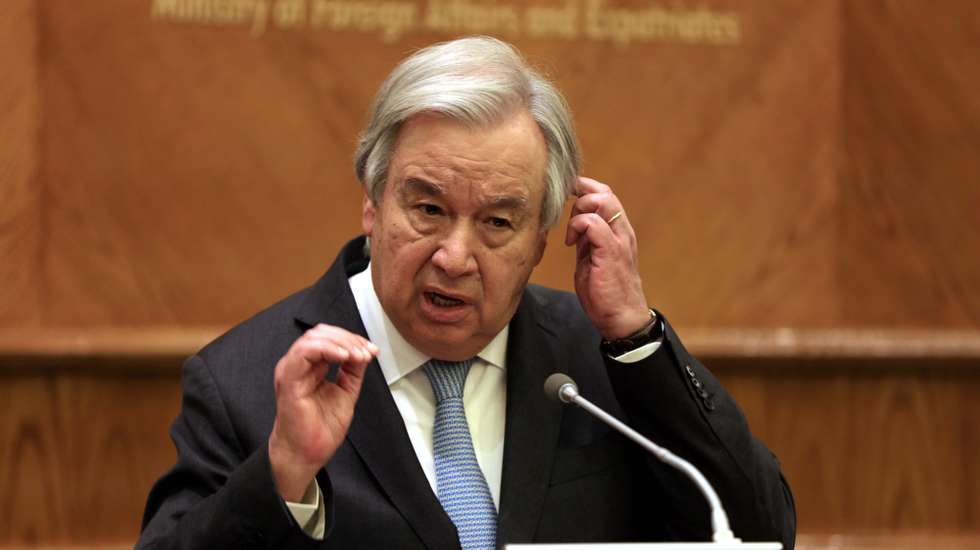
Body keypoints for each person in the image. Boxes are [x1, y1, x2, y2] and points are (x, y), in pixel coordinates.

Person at [138, 36, 796, 549]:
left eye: (497, 223)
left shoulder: (599, 360)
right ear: (372, 204)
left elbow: (760, 533)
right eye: (427, 210)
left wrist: (636, 338)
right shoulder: (244, 384)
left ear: (541, 241)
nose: (455, 257)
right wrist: (281, 474)